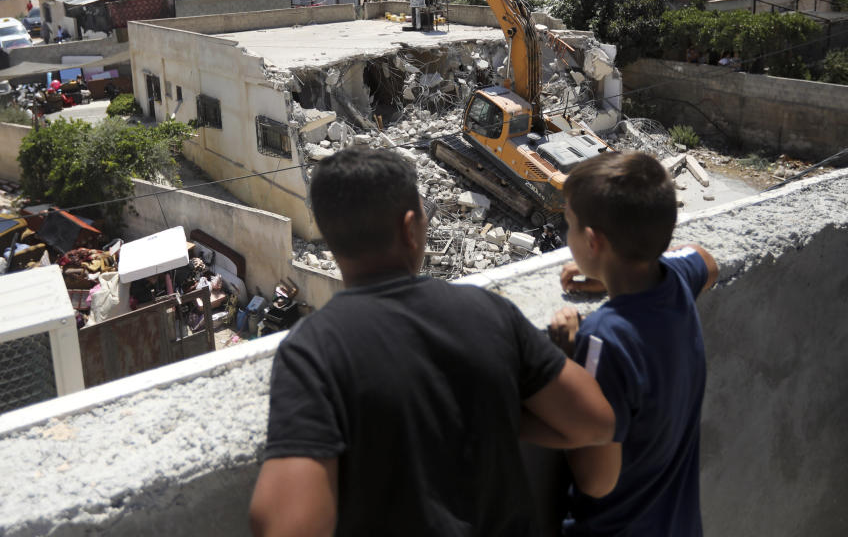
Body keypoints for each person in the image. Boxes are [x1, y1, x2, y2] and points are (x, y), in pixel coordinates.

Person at [250, 147, 616, 537]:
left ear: (329, 236)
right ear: (411, 228)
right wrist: (497, 409)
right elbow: (594, 424)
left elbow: (287, 523)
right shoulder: (488, 311)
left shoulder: (312, 351)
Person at [547, 152, 719, 536]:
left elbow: (597, 481)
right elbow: (708, 261)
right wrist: (612, 273)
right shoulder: (675, 280)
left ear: (593, 242)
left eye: (569, 224)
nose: (566, 235)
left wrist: (567, 365)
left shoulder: (603, 339)